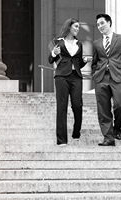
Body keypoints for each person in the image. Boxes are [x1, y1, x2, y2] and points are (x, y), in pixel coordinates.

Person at [48, 18, 91, 146]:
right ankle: (61, 140)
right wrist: (54, 53)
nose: (78, 29)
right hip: (61, 77)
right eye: (76, 26)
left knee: (77, 105)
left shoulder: (80, 44)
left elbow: (78, 64)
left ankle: (76, 131)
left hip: (76, 77)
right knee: (62, 107)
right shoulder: (58, 42)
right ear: (69, 27)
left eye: (78, 27)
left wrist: (84, 61)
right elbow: (50, 60)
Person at [92, 14, 121, 146]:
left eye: (102, 23)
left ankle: (117, 128)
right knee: (103, 109)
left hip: (118, 77)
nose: (100, 26)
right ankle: (108, 138)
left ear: (109, 23)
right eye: (98, 25)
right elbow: (95, 61)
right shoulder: (96, 43)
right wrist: (95, 74)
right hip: (101, 78)